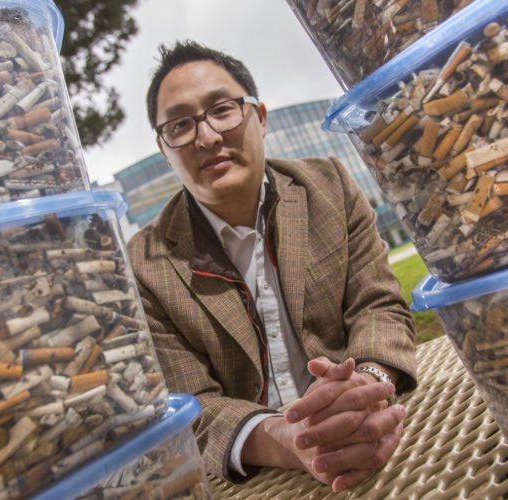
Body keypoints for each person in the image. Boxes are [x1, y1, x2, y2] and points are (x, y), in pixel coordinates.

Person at [126, 40, 417, 492]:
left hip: (369, 427)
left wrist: (368, 384)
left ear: (260, 118)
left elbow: (378, 306)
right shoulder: (144, 265)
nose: (207, 137)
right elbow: (186, 404)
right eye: (181, 125)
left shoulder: (330, 187)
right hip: (253, 477)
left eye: (223, 109)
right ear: (165, 149)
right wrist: (285, 437)